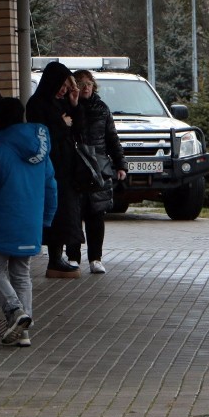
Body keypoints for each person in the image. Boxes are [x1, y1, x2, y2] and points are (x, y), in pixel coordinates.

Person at [0, 98, 58, 347]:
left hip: (1, 221)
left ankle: (16, 312)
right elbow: (51, 186)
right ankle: (23, 332)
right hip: (30, 222)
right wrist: (47, 217)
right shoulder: (41, 151)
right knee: (21, 273)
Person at [25, 61, 84, 278]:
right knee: (55, 211)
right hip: (49, 167)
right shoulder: (37, 103)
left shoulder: (63, 103)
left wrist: (75, 106)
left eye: (66, 85)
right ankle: (54, 259)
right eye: (61, 84)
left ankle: (58, 257)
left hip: (67, 167)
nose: (64, 89)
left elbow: (78, 129)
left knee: (67, 212)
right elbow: (41, 134)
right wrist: (61, 124)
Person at [65, 70, 127, 274]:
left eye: (89, 83)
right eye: (80, 83)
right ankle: (73, 256)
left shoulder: (102, 109)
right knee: (74, 213)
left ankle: (96, 258)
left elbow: (112, 138)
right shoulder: (68, 108)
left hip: (98, 167)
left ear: (93, 86)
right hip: (74, 166)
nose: (85, 87)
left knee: (96, 213)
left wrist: (120, 165)